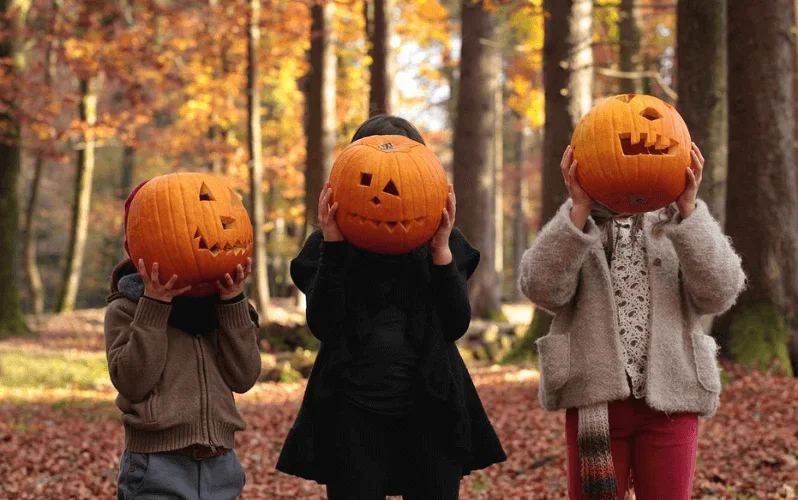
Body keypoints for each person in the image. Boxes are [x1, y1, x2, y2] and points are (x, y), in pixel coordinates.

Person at [275, 115, 506, 500]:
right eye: (367, 177)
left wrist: (441, 252)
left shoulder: (443, 245)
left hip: (431, 408)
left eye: (405, 177)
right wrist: (333, 245)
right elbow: (324, 325)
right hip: (352, 412)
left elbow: (455, 324)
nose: (388, 192)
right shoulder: (327, 248)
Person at [519, 144, 745, 499]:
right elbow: (543, 290)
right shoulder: (580, 221)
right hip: (595, 402)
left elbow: (719, 293)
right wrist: (578, 209)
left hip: (672, 399)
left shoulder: (678, 220)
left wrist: (689, 210)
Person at [105, 182, 261, 500]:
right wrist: (154, 307)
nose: (199, 234)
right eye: (176, 224)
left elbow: (244, 377)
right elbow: (133, 382)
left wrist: (232, 304)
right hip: (156, 467)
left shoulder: (228, 308)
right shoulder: (126, 308)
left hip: (221, 465)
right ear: (134, 244)